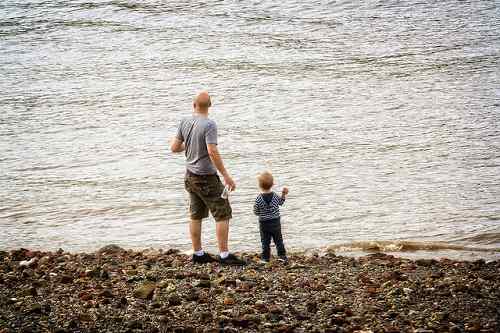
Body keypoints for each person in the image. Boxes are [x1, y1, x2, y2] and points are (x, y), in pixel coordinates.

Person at [170, 91, 246, 266]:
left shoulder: (185, 121)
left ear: (193, 104)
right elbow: (212, 151)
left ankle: (198, 253)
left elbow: (174, 148)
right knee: (223, 213)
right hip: (206, 177)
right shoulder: (210, 124)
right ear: (210, 106)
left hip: (190, 175)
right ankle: (225, 255)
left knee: (195, 214)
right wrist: (226, 176)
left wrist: (190, 144)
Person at [253, 171, 289, 263]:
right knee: (278, 240)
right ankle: (282, 256)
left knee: (265, 242)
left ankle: (265, 258)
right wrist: (284, 194)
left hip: (264, 224)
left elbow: (256, 212)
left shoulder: (258, 199)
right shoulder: (275, 196)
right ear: (272, 184)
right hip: (275, 222)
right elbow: (281, 202)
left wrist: (261, 213)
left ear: (259, 186)